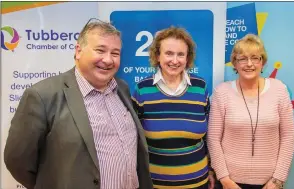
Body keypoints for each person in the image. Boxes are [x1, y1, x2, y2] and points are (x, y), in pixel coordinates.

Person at [4, 18, 153, 189]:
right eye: (100, 50)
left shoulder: (122, 88)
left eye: (115, 53)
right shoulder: (42, 95)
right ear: (78, 51)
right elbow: (17, 160)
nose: (108, 60)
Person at [207, 34, 294, 189]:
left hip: (270, 183)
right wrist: (224, 179)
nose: (249, 64)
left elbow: (288, 136)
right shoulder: (222, 92)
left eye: (255, 58)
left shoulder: (279, 89)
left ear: (263, 62)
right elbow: (213, 139)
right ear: (234, 63)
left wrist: (277, 179)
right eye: (242, 58)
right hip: (230, 183)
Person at [131, 26, 215, 189]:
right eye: (168, 53)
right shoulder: (142, 89)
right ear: (157, 55)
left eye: (180, 54)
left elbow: (208, 136)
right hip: (155, 184)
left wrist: (211, 169)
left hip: (198, 182)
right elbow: (133, 141)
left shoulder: (200, 87)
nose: (175, 60)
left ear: (187, 58)